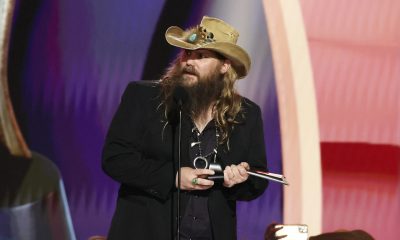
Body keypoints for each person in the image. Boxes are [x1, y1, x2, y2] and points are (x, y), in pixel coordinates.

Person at [102, 16, 269, 240]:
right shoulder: (144, 97)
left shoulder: (246, 114)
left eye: (201, 56)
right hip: (147, 231)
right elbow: (115, 158)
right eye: (186, 53)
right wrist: (173, 177)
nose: (189, 62)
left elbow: (257, 180)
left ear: (224, 65)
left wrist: (238, 180)